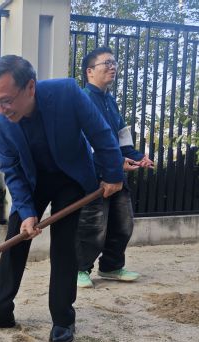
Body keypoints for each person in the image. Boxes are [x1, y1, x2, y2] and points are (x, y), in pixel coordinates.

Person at [0, 55, 124, 342]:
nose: (1, 110)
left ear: (30, 87)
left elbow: (101, 134)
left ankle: (63, 319)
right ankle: (0, 311)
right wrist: (27, 212)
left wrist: (113, 174)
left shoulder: (66, 93)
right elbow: (12, 171)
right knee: (15, 239)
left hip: (70, 179)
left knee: (64, 245)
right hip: (32, 182)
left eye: (6, 101)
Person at [76, 47, 154, 289]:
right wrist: (116, 162)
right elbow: (86, 143)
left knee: (123, 223)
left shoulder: (110, 101)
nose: (112, 67)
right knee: (93, 225)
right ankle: (80, 269)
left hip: (117, 174)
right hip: (94, 176)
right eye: (106, 63)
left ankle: (111, 267)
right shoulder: (83, 100)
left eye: (114, 62)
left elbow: (121, 138)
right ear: (89, 71)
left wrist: (137, 157)